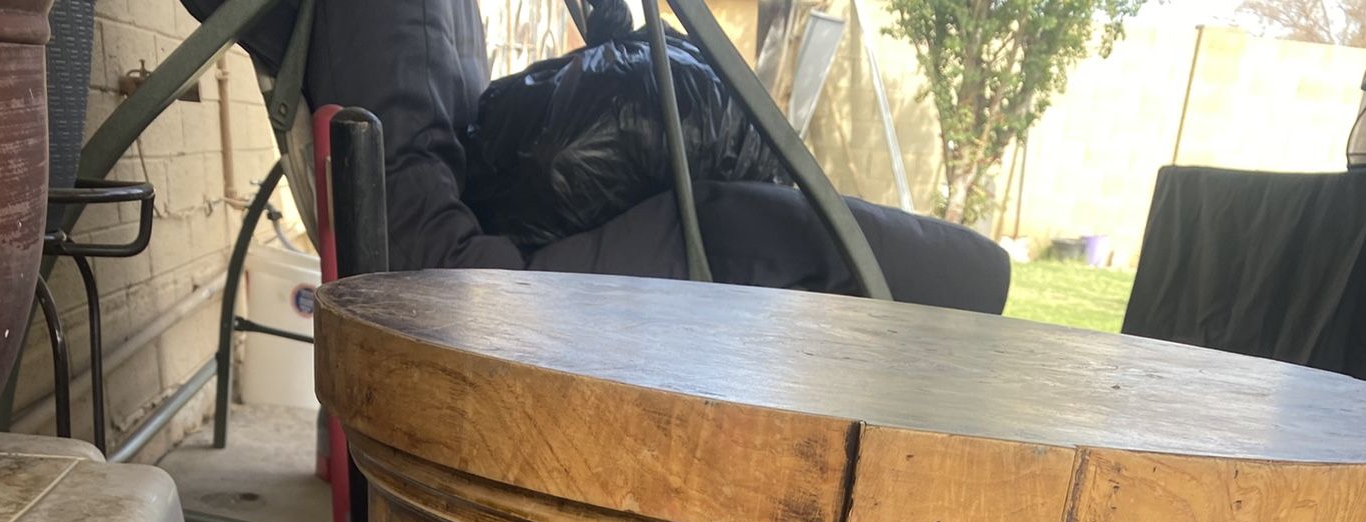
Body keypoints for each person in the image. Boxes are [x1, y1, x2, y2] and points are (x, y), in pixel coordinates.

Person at [183, 0, 1009, 311]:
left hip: (487, 234)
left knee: (749, 223)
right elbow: (429, 257)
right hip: (472, 277)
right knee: (751, 235)